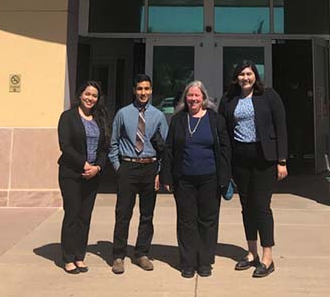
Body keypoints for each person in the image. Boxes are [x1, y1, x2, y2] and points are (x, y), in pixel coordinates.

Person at [218, 60, 288, 278]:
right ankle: (252, 253)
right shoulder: (229, 99)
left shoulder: (269, 96)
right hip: (240, 159)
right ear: (236, 77)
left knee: (262, 206)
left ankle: (268, 257)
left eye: (249, 74)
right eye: (241, 74)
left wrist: (282, 160)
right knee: (246, 206)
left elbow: (281, 127)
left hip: (264, 159)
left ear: (255, 76)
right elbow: (223, 131)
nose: (245, 78)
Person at [161, 80, 231, 279]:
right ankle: (188, 262)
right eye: (190, 96)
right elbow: (169, 149)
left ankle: (205, 261)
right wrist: (167, 175)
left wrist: (225, 176)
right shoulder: (178, 120)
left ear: (203, 98)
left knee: (208, 221)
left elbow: (225, 149)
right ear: (185, 98)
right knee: (186, 221)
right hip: (184, 180)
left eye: (197, 96)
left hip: (210, 179)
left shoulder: (215, 120)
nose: (193, 99)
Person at [109, 74, 168, 274]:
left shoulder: (158, 116)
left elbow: (165, 148)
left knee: (147, 215)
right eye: (140, 89)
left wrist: (159, 172)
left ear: (151, 90)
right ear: (134, 90)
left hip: (150, 168)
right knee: (123, 213)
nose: (143, 93)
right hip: (128, 167)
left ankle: (142, 253)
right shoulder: (123, 114)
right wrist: (118, 167)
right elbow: (113, 143)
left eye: (147, 89)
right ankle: (118, 255)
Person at [57, 81, 109, 274]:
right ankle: (68, 258)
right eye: (87, 94)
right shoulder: (68, 117)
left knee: (85, 216)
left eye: (94, 95)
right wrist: (84, 164)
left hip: (92, 175)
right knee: (72, 214)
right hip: (71, 174)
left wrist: (98, 167)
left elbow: (105, 147)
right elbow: (65, 145)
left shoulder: (99, 118)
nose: (90, 98)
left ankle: (80, 256)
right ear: (80, 95)